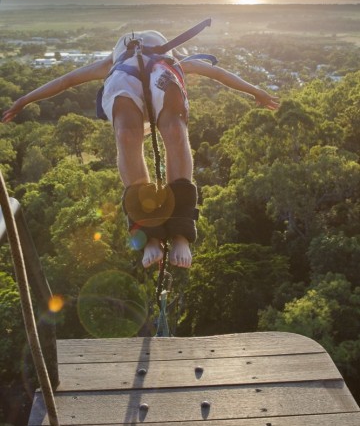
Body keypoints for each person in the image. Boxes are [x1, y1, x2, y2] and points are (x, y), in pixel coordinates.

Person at [2, 24, 279, 269]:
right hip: (126, 87)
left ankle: (181, 230)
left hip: (163, 79)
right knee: (126, 134)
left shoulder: (172, 62)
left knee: (174, 130)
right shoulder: (114, 64)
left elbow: (217, 73)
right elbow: (66, 81)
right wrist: (24, 99)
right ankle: (149, 234)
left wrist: (257, 92)